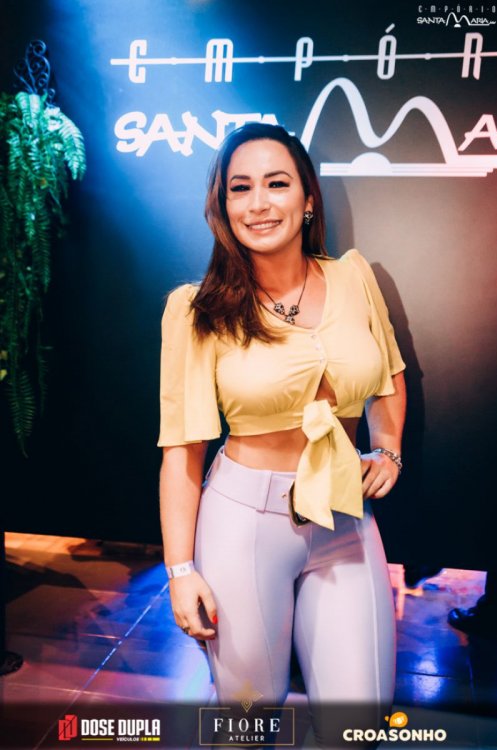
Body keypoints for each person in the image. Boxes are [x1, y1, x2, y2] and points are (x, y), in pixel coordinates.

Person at [158, 123, 407, 748]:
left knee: (358, 725)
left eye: (277, 183)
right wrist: (180, 570)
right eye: (240, 188)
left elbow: (390, 375)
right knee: (247, 724)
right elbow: (183, 451)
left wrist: (388, 449)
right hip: (243, 523)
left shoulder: (353, 277)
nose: (259, 203)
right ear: (223, 205)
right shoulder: (197, 310)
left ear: (308, 197)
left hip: (345, 518)